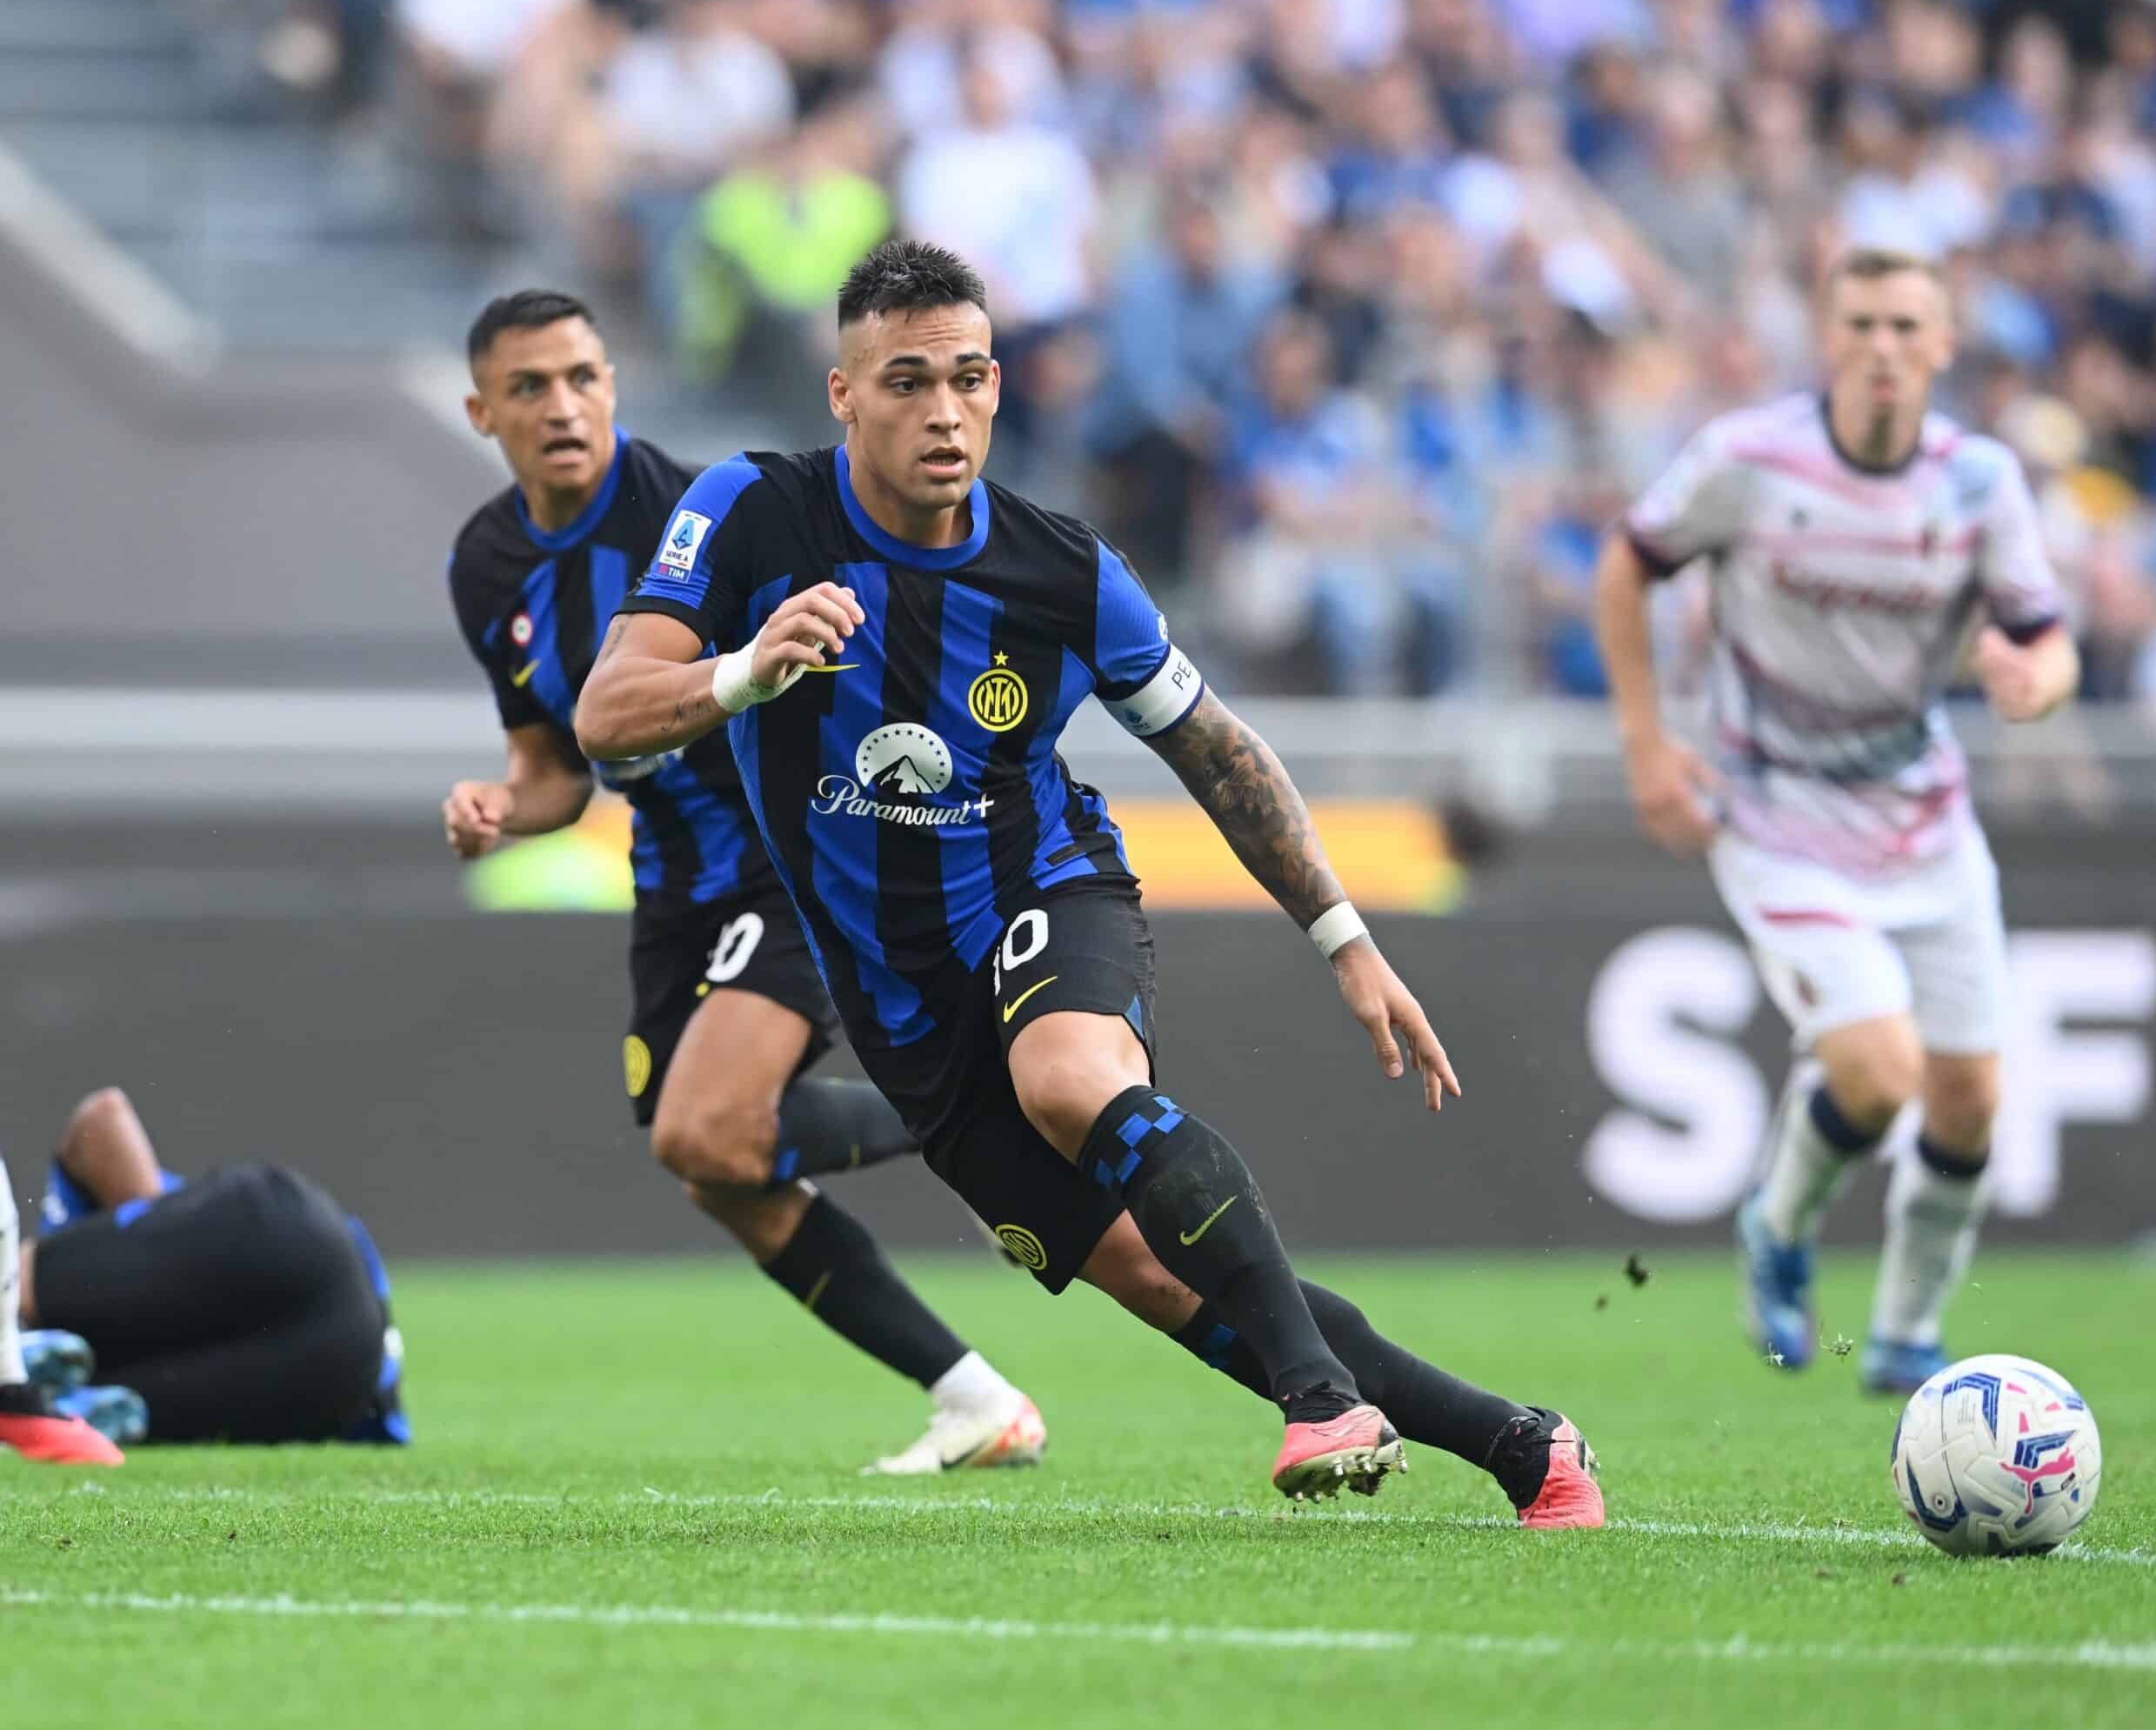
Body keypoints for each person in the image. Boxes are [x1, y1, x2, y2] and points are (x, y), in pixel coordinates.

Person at [574, 238, 1601, 1524]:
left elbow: (1219, 750)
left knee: (1070, 1080)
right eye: (904, 383)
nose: (944, 412)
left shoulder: (1066, 573)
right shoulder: (748, 511)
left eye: (968, 378)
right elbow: (606, 713)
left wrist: (1344, 936)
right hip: (905, 1012)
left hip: (1048, 892)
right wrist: (742, 671)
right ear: (842, 396)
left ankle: (1322, 1407)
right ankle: (1524, 1446)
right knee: (1162, 1279)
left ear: (1000, 384)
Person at [444, 288, 1045, 1475]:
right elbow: (560, 771)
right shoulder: (489, 566)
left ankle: (978, 1116)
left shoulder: (700, 513)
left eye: (582, 376)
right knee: (711, 1166)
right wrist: (500, 809)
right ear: (482, 412)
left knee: (711, 1128)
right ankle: (976, 1396)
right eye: (529, 388)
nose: (562, 406)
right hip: (673, 883)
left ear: (614, 381)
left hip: (794, 852)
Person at [1594, 247, 2079, 1395]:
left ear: (1944, 346)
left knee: (1970, 1097)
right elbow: (1628, 565)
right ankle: (1778, 1223)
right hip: (1775, 811)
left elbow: (2047, 639)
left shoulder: (1980, 484)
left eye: (1908, 327)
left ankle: (1907, 1334)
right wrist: (1647, 745)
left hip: (1925, 820)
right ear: (1827, 336)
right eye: (1861, 323)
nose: (1883, 348)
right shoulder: (1748, 459)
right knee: (1878, 1072)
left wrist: (2034, 683)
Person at [3, 1089, 405, 1456]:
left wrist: (150, 1247)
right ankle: (61, 1401)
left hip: (297, 1253)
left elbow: (104, 1114)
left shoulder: (91, 1238)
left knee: (17, 1286)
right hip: (340, 1381)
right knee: (89, 1412)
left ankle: (37, 1378)